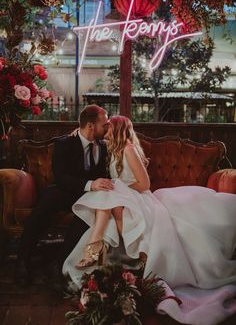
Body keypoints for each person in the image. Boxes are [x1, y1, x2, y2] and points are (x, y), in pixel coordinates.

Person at [63, 115, 236, 325]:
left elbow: (144, 184)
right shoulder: (112, 148)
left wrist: (120, 188)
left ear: (117, 130)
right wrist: (76, 134)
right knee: (108, 196)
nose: (105, 131)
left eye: (108, 128)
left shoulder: (128, 148)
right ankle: (101, 248)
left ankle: (97, 247)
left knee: (110, 193)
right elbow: (90, 139)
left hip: (139, 197)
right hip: (122, 200)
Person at [16, 104, 113, 286]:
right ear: (91, 125)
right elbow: (61, 177)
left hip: (89, 198)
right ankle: (22, 260)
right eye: (104, 124)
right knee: (45, 204)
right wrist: (90, 184)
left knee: (85, 216)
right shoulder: (64, 143)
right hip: (66, 191)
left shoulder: (104, 146)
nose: (107, 127)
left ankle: (58, 264)